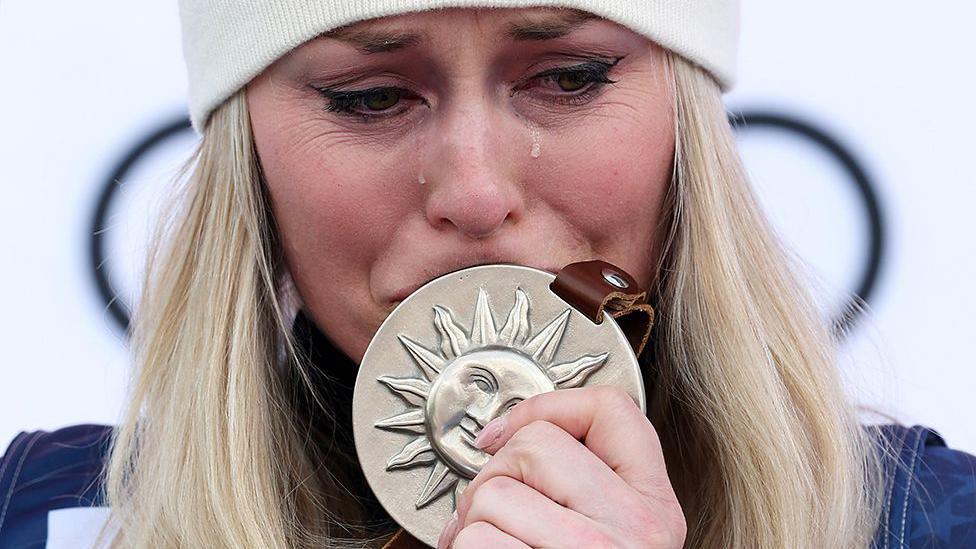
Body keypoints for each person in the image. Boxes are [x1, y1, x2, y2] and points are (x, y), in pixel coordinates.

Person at [1, 2, 974, 548]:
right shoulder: (44, 519)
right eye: (371, 95)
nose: (473, 188)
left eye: (568, 76)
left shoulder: (925, 526)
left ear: (686, 125)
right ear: (246, 149)